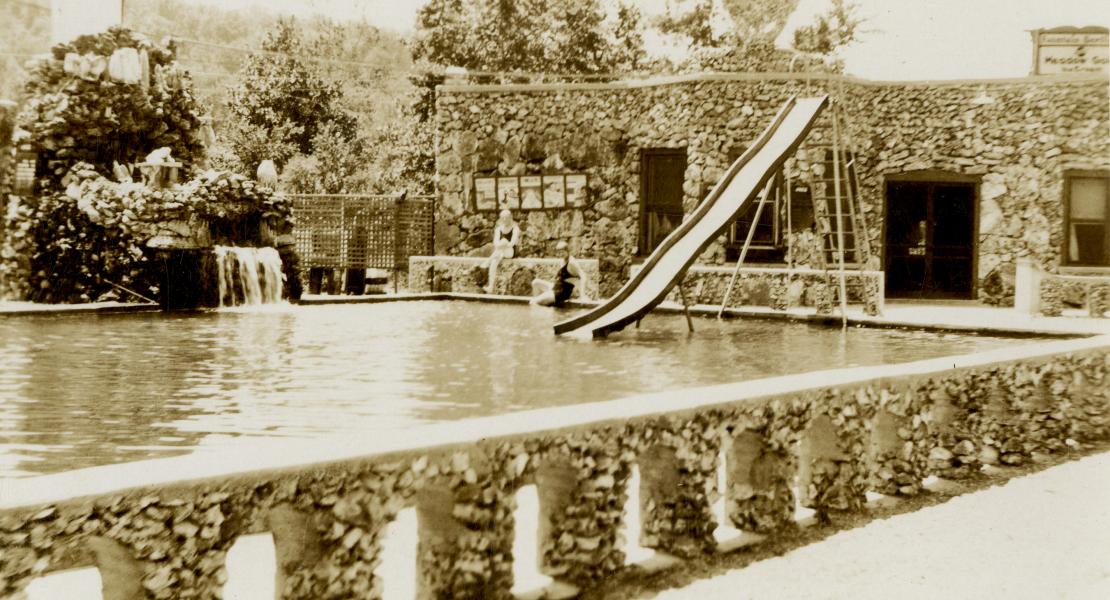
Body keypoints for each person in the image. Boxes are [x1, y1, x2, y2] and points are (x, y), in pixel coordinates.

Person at [531, 241, 590, 307]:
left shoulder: (571, 263)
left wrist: (583, 296)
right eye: (559, 252)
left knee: (533, 302)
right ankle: (543, 303)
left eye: (562, 252)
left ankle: (545, 311)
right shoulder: (563, 260)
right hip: (556, 287)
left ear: (567, 251)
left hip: (561, 292)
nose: (560, 254)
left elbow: (583, 276)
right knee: (535, 283)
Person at [482, 209, 520, 293]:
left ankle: (487, 261)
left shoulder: (515, 229)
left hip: (510, 252)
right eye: (503, 218)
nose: (505, 220)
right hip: (500, 252)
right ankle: (491, 286)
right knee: (494, 262)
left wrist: (503, 243)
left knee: (504, 241)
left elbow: (512, 243)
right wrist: (501, 244)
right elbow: (495, 243)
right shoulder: (499, 229)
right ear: (500, 218)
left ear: (511, 217)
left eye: (506, 217)